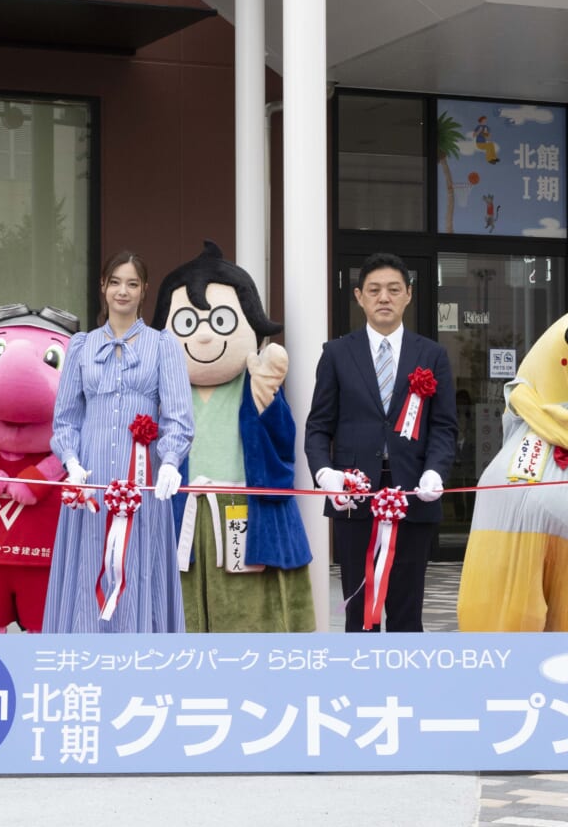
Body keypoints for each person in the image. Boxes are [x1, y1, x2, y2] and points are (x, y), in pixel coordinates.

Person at [155, 241, 313, 633]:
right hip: (181, 509)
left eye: (220, 321)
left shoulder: (254, 381)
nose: (205, 336)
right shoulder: (164, 386)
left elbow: (283, 444)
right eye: (189, 324)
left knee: (248, 612)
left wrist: (266, 402)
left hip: (244, 505)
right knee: (179, 611)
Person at [43, 250, 193, 634]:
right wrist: (72, 464)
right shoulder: (81, 345)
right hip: (90, 478)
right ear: (103, 288)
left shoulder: (163, 346)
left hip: (140, 477)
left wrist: (172, 461)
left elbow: (177, 416)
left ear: (144, 290)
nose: (122, 291)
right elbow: (65, 419)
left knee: (138, 562)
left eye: (131, 283)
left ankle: (141, 652)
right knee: (87, 563)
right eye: (115, 282)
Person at [306, 253, 457, 633]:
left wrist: (435, 473)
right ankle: (361, 690)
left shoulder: (432, 355)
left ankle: (405, 692)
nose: (383, 298)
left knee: (408, 612)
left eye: (393, 289)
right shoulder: (337, 354)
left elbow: (443, 426)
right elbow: (318, 426)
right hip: (355, 498)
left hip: (413, 495)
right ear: (359, 296)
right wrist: (325, 473)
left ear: (408, 294)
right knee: (360, 612)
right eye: (374, 290)